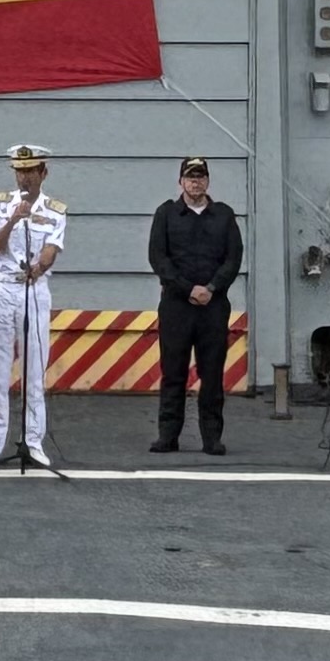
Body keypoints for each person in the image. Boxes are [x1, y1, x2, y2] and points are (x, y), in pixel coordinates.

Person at [146, 154, 243, 455]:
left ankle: (211, 438)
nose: (196, 182)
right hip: (177, 306)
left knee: (212, 373)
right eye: (190, 176)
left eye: (201, 176)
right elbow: (158, 258)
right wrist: (188, 289)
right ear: (181, 181)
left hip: (213, 307)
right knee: (173, 372)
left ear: (208, 181)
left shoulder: (224, 216)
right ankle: (168, 436)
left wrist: (211, 288)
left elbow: (233, 258)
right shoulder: (166, 214)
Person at [0, 145, 67, 469]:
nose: (24, 177)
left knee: (34, 369)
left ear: (43, 173)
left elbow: (51, 249)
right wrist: (13, 220)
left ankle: (33, 441)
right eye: (19, 170)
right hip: (2, 287)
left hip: (33, 289)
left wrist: (40, 268)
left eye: (31, 170)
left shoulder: (55, 210)